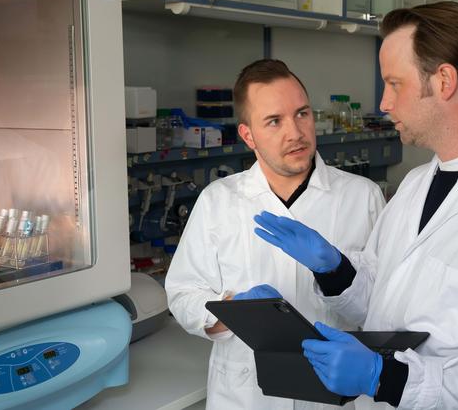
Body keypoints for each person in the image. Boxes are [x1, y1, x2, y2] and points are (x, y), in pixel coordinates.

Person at [253, 1, 458, 409]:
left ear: (444, 81)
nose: (383, 104)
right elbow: (383, 300)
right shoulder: (417, 184)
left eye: (395, 84)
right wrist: (336, 270)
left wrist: (387, 378)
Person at [165, 59, 385, 409]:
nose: (295, 133)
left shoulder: (363, 197)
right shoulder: (219, 200)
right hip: (244, 395)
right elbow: (181, 293)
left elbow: (385, 304)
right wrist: (228, 312)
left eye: (302, 114)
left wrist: (338, 274)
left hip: (331, 397)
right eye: (274, 121)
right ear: (248, 134)